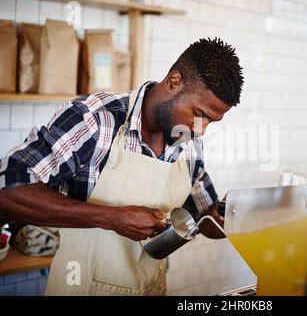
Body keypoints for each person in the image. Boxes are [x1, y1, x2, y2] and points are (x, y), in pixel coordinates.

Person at [0, 37, 244, 295]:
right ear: (174, 82)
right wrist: (112, 218)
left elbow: (204, 219)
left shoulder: (190, 143)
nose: (201, 130)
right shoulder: (95, 119)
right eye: (199, 114)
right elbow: (9, 190)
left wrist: (233, 217)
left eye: (211, 121)